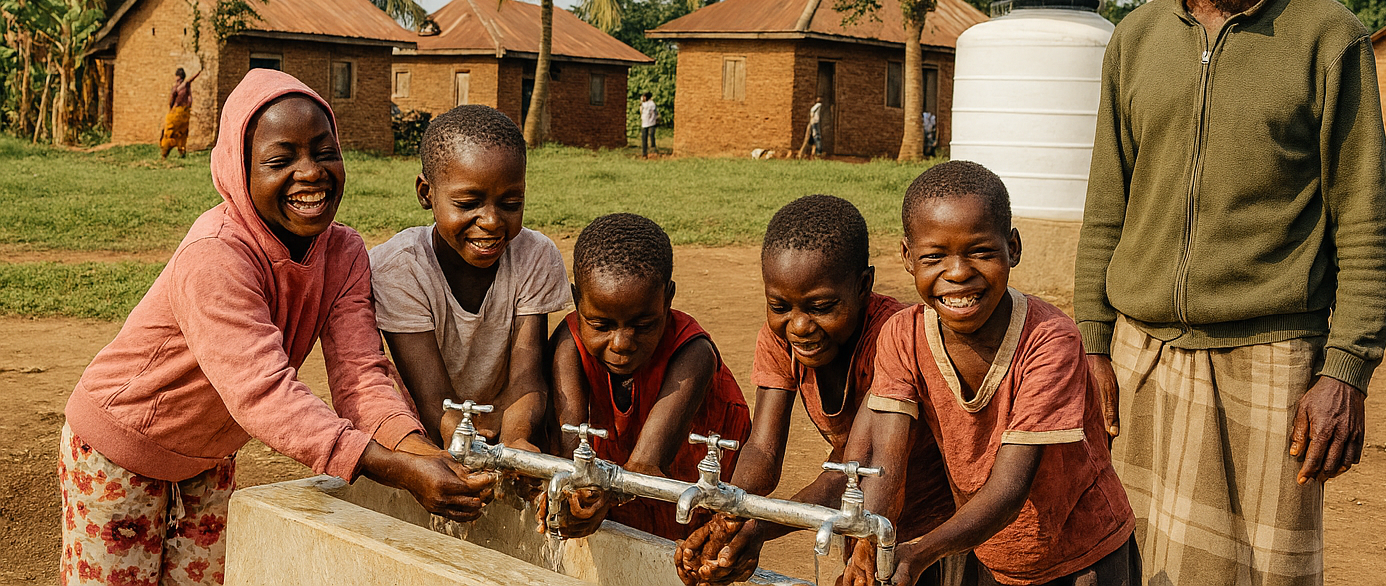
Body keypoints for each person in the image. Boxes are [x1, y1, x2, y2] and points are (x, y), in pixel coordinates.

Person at [1075, 0, 1386, 586]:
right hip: (1142, 356)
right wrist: (1092, 345)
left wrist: (1346, 371)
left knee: (1264, 575)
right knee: (1129, 564)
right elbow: (1106, 207)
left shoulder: (1328, 39)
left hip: (1273, 361)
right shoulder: (1134, 40)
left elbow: (1364, 220)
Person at [61, 69, 494, 586]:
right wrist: (392, 467)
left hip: (209, 453)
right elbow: (263, 393)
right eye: (280, 160)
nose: (310, 172)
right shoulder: (216, 255)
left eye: (324, 152)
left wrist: (417, 452)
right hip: (120, 447)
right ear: (239, 169)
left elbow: (361, 375)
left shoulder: (344, 253)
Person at [843, 161, 1139, 586]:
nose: (958, 273)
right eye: (934, 256)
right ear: (908, 257)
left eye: (981, 252)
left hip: (1082, 557)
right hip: (989, 550)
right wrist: (870, 545)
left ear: (1012, 248)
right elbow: (886, 462)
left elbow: (1010, 489)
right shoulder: (902, 336)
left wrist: (916, 553)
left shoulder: (1049, 340)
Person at [675, 195, 952, 585]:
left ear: (863, 286)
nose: (799, 326)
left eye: (820, 307)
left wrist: (757, 528)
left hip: (936, 528)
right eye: (780, 306)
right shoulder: (780, 341)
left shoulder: (895, 337)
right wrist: (727, 519)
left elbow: (856, 467)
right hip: (864, 519)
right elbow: (762, 450)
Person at [371, 105, 571, 451]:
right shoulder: (399, 268)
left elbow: (527, 378)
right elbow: (433, 400)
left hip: (505, 422)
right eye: (467, 203)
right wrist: (466, 446)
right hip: (419, 439)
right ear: (426, 193)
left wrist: (516, 440)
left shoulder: (534, 256)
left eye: (511, 203)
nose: (491, 221)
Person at [550, 213, 751, 541]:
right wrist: (575, 496)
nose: (621, 344)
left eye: (643, 326)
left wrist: (597, 497)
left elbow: (645, 465)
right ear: (577, 300)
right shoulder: (568, 344)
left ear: (668, 298)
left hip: (684, 491)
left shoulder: (693, 353)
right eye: (601, 325)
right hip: (617, 489)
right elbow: (570, 452)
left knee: (685, 549)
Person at [160, 66, 201, 158]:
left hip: (176, 112)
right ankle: (181, 151)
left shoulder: (176, 87)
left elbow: (171, 99)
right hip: (185, 113)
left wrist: (171, 108)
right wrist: (199, 72)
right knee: (182, 133)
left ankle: (164, 154)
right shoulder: (186, 85)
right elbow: (191, 80)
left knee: (169, 133)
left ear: (177, 76)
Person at [640, 91, 659, 158]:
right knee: (644, 138)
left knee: (651, 137)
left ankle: (653, 151)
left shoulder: (651, 104)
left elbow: (654, 113)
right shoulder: (644, 104)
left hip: (651, 123)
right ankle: (644, 153)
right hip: (644, 123)